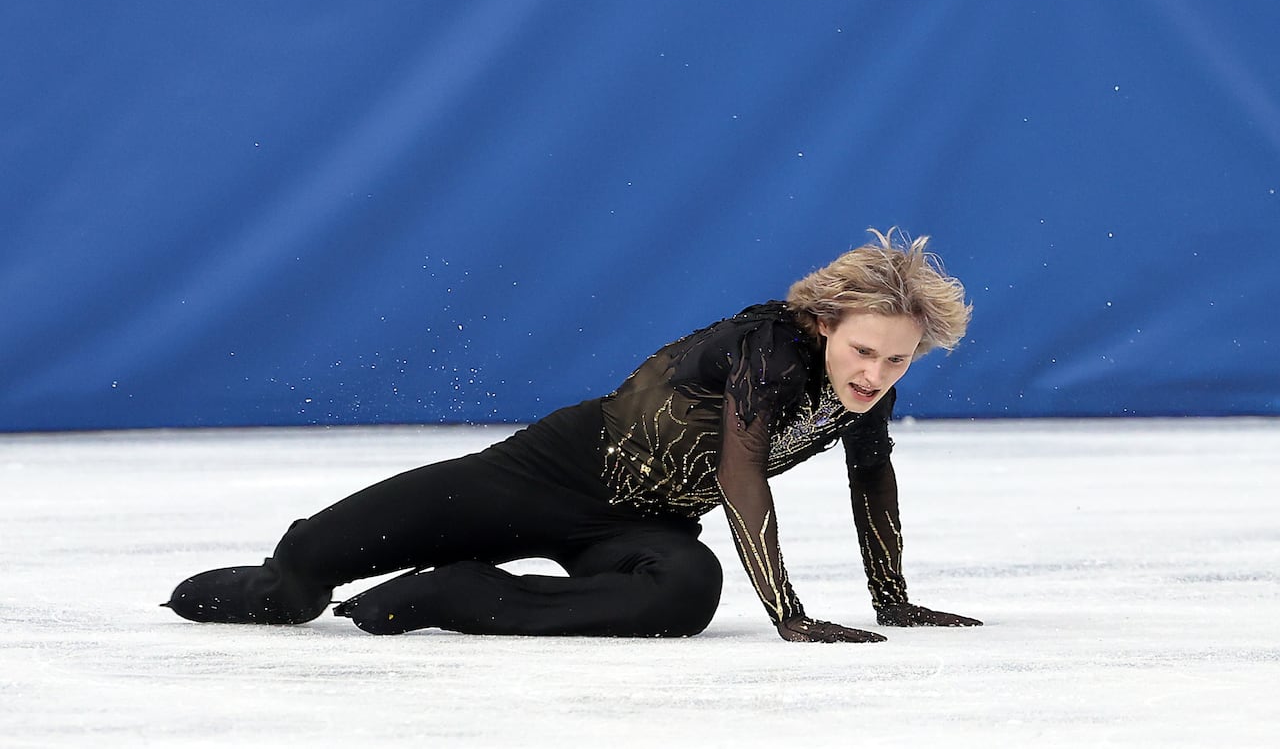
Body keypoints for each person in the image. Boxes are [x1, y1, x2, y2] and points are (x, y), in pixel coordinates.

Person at [164, 228, 982, 642]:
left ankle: (453, 592)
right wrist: (789, 616)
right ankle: (270, 584)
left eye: (898, 361)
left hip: (642, 526)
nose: (875, 374)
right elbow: (741, 476)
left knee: (686, 592)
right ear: (822, 321)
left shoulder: (864, 390)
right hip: (546, 473)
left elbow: (871, 476)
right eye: (864, 350)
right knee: (301, 577)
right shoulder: (769, 348)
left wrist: (893, 600)